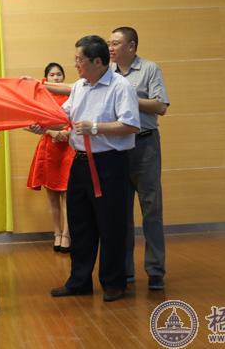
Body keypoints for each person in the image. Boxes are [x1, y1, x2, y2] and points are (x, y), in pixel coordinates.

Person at [45, 35, 140, 302]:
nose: (76, 64)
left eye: (80, 60)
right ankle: (79, 281)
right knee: (80, 223)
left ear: (98, 61)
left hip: (110, 163)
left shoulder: (120, 87)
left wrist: (95, 128)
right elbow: (63, 116)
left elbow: (131, 125)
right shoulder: (79, 86)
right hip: (80, 162)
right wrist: (42, 124)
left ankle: (114, 283)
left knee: (111, 225)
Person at [108, 26, 170, 291]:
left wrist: (128, 96)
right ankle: (125, 271)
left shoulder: (149, 69)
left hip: (145, 145)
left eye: (115, 43)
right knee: (120, 212)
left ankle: (155, 270)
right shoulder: (107, 72)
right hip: (116, 147)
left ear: (131, 46)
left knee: (151, 210)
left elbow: (160, 106)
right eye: (109, 43)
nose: (110, 48)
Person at [26, 63, 75, 253]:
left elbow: (77, 119)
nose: (56, 78)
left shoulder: (72, 94)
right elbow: (30, 123)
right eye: (52, 75)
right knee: (53, 196)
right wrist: (52, 132)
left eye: (59, 74)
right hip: (49, 149)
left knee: (68, 195)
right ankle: (57, 233)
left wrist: (67, 133)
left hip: (69, 149)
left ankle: (67, 235)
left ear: (63, 77)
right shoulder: (41, 97)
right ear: (46, 78)